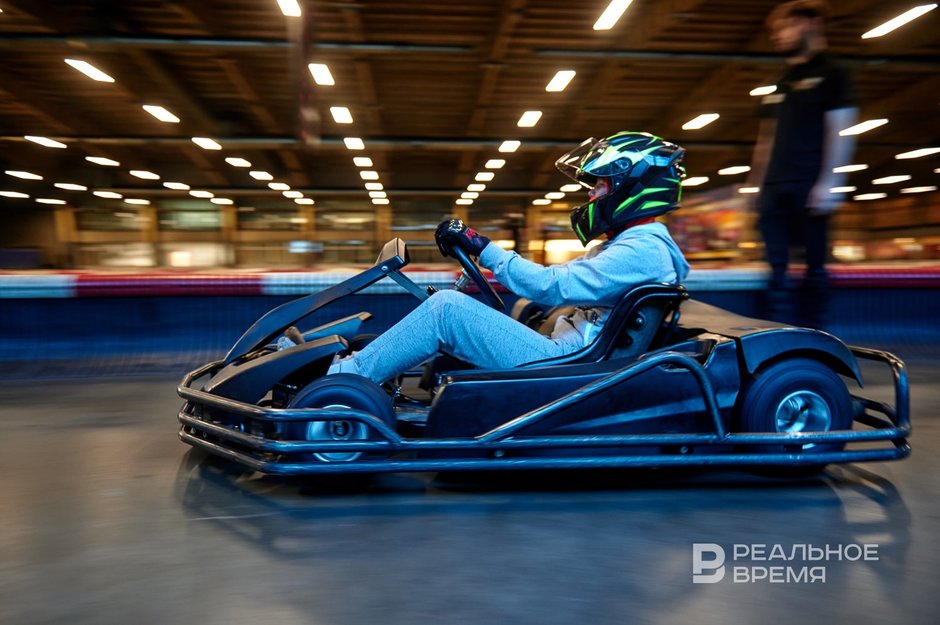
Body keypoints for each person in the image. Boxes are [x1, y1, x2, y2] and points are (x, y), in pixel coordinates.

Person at [315, 131, 691, 384]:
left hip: (563, 367)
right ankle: (359, 370)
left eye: (600, 185)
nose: (592, 195)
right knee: (449, 308)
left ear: (634, 188)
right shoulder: (634, 245)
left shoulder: (642, 251)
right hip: (566, 354)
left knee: (445, 309)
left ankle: (342, 379)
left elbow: (550, 286)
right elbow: (558, 282)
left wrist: (483, 247)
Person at [747, 0, 857, 327]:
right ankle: (776, 335)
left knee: (815, 269)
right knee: (776, 272)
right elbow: (767, 137)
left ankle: (815, 336)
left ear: (810, 24)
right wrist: (756, 183)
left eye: (785, 27)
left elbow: (839, 129)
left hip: (810, 185)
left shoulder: (833, 74)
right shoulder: (781, 81)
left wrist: (830, 181)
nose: (778, 35)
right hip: (774, 188)